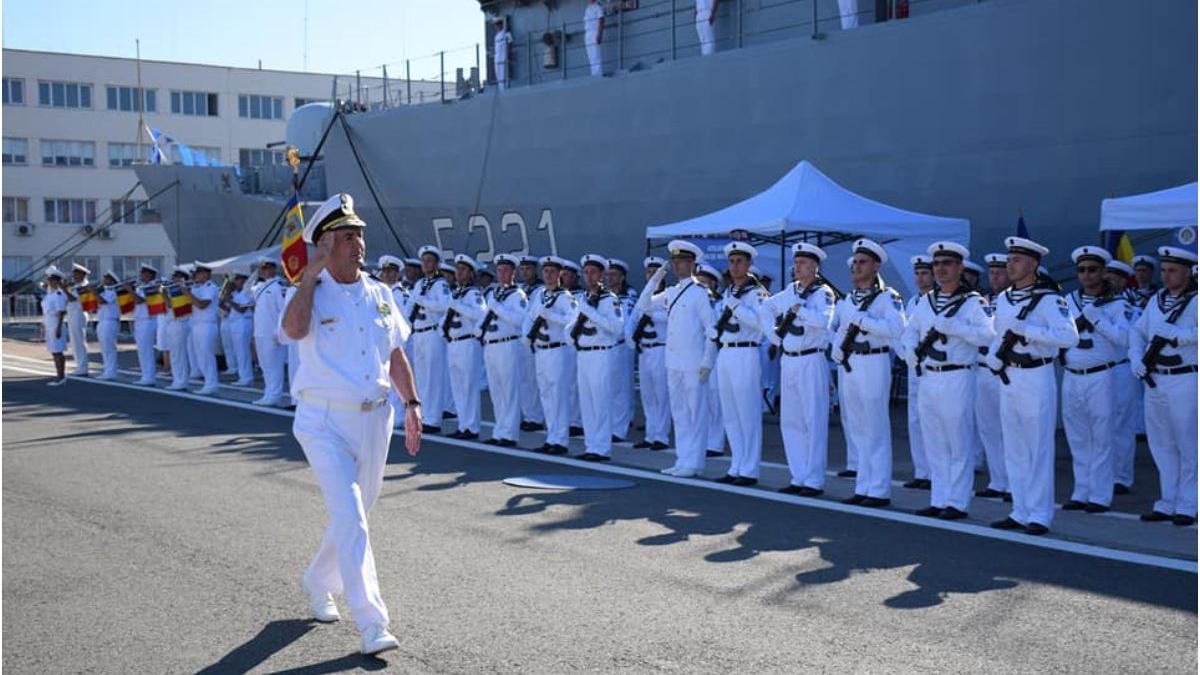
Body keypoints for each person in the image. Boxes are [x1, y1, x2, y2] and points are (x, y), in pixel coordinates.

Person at [279, 192, 421, 656]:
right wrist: (309, 275)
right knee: (351, 516)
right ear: (325, 244)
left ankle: (319, 580)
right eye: (346, 236)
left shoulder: (380, 294)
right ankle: (372, 623)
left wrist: (412, 402)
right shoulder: (311, 292)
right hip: (323, 420)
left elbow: (394, 353)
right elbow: (293, 331)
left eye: (360, 234)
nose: (358, 243)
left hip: (375, 419)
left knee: (357, 514)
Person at [985, 237, 1078, 536]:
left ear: (1033, 264)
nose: (1010, 265)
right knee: (1014, 447)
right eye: (1009, 259)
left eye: (1017, 260)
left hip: (1036, 375)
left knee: (1037, 447)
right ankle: (1020, 510)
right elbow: (998, 334)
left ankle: (1039, 514)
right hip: (1009, 375)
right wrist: (993, 355)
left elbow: (1069, 337)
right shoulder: (1004, 299)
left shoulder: (1049, 299)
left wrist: (1029, 330)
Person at [901, 242, 995, 520]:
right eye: (937, 264)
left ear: (960, 268)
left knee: (957, 440)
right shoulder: (927, 301)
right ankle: (939, 497)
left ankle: (957, 501)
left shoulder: (973, 302)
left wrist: (955, 327)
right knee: (934, 440)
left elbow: (988, 335)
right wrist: (910, 350)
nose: (941, 269)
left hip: (958, 375)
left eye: (947, 264)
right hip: (929, 376)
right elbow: (911, 330)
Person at [831, 239, 905, 507]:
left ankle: (879, 489)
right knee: (858, 427)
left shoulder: (888, 297)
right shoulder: (849, 299)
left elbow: (896, 329)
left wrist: (865, 321)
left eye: (863, 262)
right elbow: (840, 328)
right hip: (851, 363)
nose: (856, 267)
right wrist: (837, 348)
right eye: (855, 263)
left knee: (875, 426)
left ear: (875, 267)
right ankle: (863, 485)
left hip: (874, 361)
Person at [635, 240, 716, 478]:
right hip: (673, 362)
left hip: (693, 363)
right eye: (675, 262)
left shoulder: (700, 293)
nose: (678, 266)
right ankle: (683, 459)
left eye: (682, 261)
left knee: (695, 413)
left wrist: (708, 361)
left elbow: (711, 330)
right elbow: (643, 305)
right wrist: (656, 279)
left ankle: (695, 462)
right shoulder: (671, 292)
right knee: (679, 413)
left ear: (692, 264)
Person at [1129, 246, 1197, 527]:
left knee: (1189, 444)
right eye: (1165, 270)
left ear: (1188, 272)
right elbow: (1137, 330)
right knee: (1161, 444)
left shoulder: (1196, 300)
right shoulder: (1157, 299)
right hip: (1155, 379)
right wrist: (1135, 356)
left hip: (1185, 378)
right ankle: (1168, 501)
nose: (1167, 276)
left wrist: (1181, 335)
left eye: (1173, 271)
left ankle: (1190, 503)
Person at [1059, 246, 1129, 514]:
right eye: (1082, 270)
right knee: (1077, 437)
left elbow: (1123, 338)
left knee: (1102, 437)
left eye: (1092, 270)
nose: (1086, 275)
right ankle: (1081, 491)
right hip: (1072, 374)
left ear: (1103, 272)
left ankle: (1099, 495)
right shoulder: (1068, 300)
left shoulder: (1116, 303)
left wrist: (1098, 320)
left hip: (1101, 374)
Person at [763, 243, 837, 496]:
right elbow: (767, 307)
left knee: (813, 420)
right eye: (796, 263)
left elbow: (823, 321)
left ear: (815, 266)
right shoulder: (791, 290)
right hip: (789, 359)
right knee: (791, 420)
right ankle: (798, 476)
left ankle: (814, 480)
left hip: (811, 359)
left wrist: (799, 309)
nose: (797, 267)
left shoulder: (823, 292)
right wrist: (773, 335)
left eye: (803, 263)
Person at [708, 242, 769, 486]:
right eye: (731, 262)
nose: (734, 266)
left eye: (739, 262)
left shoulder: (757, 292)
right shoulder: (728, 291)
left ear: (749, 264)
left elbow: (760, 323)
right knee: (731, 414)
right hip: (726, 352)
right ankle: (736, 465)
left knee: (747, 413)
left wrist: (737, 306)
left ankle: (749, 469)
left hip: (746, 351)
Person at [571, 254, 625, 461]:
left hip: (601, 353)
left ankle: (601, 448)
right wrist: (570, 335)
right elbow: (572, 325)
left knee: (600, 402)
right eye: (586, 272)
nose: (589, 276)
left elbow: (616, 328)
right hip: (583, 353)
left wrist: (591, 313)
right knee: (587, 404)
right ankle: (591, 445)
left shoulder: (609, 299)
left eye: (593, 272)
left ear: (602, 275)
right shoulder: (583, 298)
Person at [524, 256, 577, 455]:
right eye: (545, 271)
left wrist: (551, 316)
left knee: (558, 395)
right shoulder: (540, 295)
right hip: (540, 350)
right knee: (546, 395)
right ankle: (551, 437)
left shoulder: (565, 297)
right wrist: (526, 335)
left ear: (560, 274)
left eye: (552, 271)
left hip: (557, 350)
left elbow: (572, 320)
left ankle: (560, 440)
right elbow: (530, 317)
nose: (548, 275)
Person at [974, 253, 1011, 501]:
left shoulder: (1012, 301)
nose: (995, 277)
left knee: (1009, 430)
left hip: (1004, 371)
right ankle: (998, 480)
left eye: (1000, 272)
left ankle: (1012, 482)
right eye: (992, 273)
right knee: (988, 428)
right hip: (981, 369)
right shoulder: (982, 301)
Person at [481, 254, 528, 446]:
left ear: (513, 273)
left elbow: (520, 320)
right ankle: (499, 430)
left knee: (509, 391)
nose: (502, 274)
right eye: (499, 270)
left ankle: (510, 434)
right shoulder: (494, 294)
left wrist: (498, 309)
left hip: (508, 344)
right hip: (491, 345)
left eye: (506, 270)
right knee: (496, 392)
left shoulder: (518, 295)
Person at [1105, 258, 1141, 494]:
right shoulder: (1098, 305)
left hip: (1122, 368)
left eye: (1113, 279)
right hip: (1101, 370)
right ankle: (1104, 474)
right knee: (1102, 425)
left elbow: (1126, 339)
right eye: (1106, 277)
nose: (1108, 282)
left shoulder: (1130, 308)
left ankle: (1121, 477)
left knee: (1122, 425)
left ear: (1123, 281)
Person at [408, 245, 452, 433]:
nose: (426, 264)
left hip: (432, 332)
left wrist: (424, 301)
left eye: (430, 261)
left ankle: (433, 419)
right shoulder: (420, 284)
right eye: (424, 261)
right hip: (418, 333)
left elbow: (445, 305)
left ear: (436, 264)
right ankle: (424, 415)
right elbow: (410, 307)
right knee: (421, 378)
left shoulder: (440, 284)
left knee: (433, 377)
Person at [629, 256, 671, 451]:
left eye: (656, 272)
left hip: (660, 348)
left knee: (661, 394)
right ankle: (650, 434)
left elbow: (671, 317)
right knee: (647, 395)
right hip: (644, 349)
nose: (652, 275)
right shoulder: (643, 297)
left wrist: (651, 314)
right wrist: (630, 336)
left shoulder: (669, 295)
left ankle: (661, 436)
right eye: (649, 272)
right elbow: (634, 319)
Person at [444, 254, 487, 440]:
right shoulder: (456, 293)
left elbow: (480, 314)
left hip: (468, 342)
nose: (459, 273)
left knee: (468, 386)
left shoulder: (473, 294)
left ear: (471, 274)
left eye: (463, 270)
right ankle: (463, 424)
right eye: (458, 269)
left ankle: (471, 427)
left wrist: (458, 306)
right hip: (453, 342)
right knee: (457, 387)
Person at [902, 254, 935, 490]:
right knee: (915, 419)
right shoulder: (913, 302)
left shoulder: (939, 301)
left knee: (933, 420)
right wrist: (906, 354)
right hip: (914, 367)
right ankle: (921, 470)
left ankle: (934, 472)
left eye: (925, 273)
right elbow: (904, 333)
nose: (920, 278)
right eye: (917, 273)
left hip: (933, 367)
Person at [696, 265, 725, 459]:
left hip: (715, 354)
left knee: (715, 399)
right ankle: (701, 439)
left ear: (713, 283)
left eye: (703, 281)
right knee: (699, 400)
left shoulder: (720, 304)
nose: (700, 285)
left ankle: (715, 443)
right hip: (695, 354)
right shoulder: (693, 300)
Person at [606, 259, 637, 442]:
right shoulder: (603, 296)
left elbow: (626, 323)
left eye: (614, 275)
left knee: (621, 389)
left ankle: (619, 429)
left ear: (622, 277)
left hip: (622, 346)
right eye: (608, 275)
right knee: (608, 388)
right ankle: (611, 424)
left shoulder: (627, 298)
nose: (610, 278)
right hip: (605, 348)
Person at [251, 257, 288, 405]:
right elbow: (248, 292)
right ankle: (268, 393)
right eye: (262, 269)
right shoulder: (259, 287)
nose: (263, 271)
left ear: (273, 269)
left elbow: (284, 310)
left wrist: (279, 331)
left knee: (274, 365)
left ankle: (275, 395)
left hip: (272, 332)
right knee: (264, 365)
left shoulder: (278, 286)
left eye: (266, 268)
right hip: (260, 331)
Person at [517, 255, 546, 431]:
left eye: (528, 269)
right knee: (523, 379)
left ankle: (536, 417)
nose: (525, 272)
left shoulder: (540, 290)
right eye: (522, 269)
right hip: (519, 339)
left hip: (533, 339)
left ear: (535, 270)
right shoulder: (520, 288)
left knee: (533, 379)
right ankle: (528, 415)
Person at [188, 262, 221, 395]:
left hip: (207, 325)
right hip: (197, 324)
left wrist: (187, 293)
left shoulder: (210, 287)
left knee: (207, 355)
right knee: (200, 355)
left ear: (205, 274)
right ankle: (208, 382)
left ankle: (212, 384)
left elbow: (202, 305)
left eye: (198, 273)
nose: (195, 276)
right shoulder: (197, 287)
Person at [164, 267, 193, 391]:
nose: (173, 279)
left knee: (179, 354)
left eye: (176, 277)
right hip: (172, 323)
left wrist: (164, 294)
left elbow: (173, 305)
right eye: (173, 277)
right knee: (174, 354)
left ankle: (181, 381)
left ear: (182, 278)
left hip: (180, 323)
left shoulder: (183, 290)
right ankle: (177, 379)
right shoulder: (175, 290)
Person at [131, 264, 160, 386]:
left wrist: (129, 290)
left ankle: (149, 377)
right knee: (142, 350)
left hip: (148, 321)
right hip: (140, 320)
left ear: (149, 275)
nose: (141, 275)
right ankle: (145, 375)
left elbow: (140, 300)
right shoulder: (141, 287)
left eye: (143, 273)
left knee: (147, 350)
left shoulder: (153, 286)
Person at [41, 266, 69, 385]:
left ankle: (61, 376)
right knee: (54, 350)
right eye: (49, 280)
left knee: (58, 351)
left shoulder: (59, 294)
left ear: (58, 282)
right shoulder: (50, 294)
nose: (50, 283)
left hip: (56, 324)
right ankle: (59, 375)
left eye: (53, 280)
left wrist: (58, 328)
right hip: (49, 323)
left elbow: (61, 312)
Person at [63, 263, 91, 376]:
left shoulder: (84, 286)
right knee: (74, 341)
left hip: (79, 313)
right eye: (74, 273)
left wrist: (64, 289)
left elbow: (73, 299)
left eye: (76, 274)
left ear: (82, 274)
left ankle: (83, 367)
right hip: (72, 313)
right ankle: (79, 365)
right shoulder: (75, 285)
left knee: (79, 340)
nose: (73, 276)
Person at [95, 271, 121, 380]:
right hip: (102, 321)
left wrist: (94, 292)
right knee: (104, 348)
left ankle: (111, 372)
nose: (104, 280)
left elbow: (103, 301)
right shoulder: (105, 291)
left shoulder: (113, 291)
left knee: (109, 348)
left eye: (106, 278)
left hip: (110, 321)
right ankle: (107, 370)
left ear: (112, 281)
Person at [584, 0, 605, 77]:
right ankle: (594, 74)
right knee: (590, 55)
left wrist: (599, 34)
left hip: (594, 32)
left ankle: (598, 74)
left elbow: (601, 21)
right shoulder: (587, 8)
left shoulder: (598, 7)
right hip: (588, 33)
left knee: (596, 54)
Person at [493, 17, 512, 91]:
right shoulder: (496, 36)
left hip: (503, 56)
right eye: (496, 25)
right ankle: (500, 89)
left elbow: (510, 43)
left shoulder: (506, 33)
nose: (496, 27)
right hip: (497, 57)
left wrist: (508, 55)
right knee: (498, 74)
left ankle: (503, 89)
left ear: (501, 25)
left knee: (503, 73)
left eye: (498, 25)